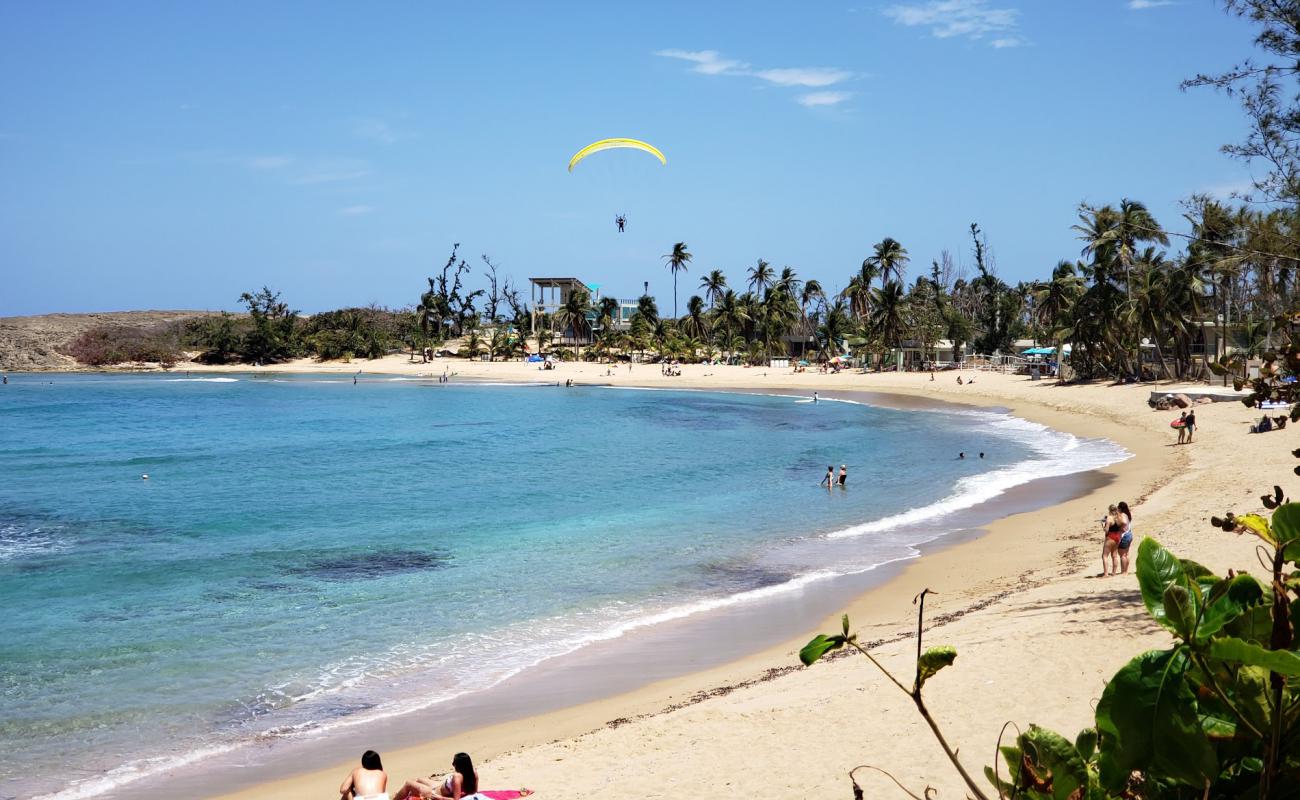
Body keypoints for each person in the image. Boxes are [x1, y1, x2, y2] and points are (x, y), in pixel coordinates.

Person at [395, 752, 479, 800]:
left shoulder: (457, 777)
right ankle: (406, 795)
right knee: (419, 780)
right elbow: (474, 791)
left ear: (461, 765)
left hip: (435, 793)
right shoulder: (473, 773)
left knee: (408, 784)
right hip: (440, 786)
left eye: (454, 763)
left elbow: (456, 799)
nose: (453, 764)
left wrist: (440, 798)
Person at [1101, 504, 1123, 577]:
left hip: (1110, 537)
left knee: (1104, 556)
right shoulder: (1119, 518)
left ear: (1110, 510)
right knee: (1114, 556)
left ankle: (1106, 574)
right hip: (1117, 537)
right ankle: (1114, 573)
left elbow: (1106, 530)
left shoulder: (1109, 518)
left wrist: (1103, 525)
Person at [1117, 501, 1134, 574]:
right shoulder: (1128, 514)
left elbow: (1124, 523)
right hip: (1129, 534)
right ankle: (1126, 570)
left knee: (1122, 555)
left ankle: (1123, 571)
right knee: (1126, 554)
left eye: (1118, 507)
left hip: (1124, 535)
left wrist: (1121, 527)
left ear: (1120, 508)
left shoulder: (1123, 515)